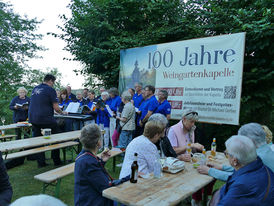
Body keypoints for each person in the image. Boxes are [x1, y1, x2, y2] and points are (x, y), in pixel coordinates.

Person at [197, 122, 274, 182]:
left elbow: (237, 177)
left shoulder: (257, 158)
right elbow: (242, 170)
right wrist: (222, 167)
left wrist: (209, 171)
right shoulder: (267, 150)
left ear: (250, 141)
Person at [74, 124, 129, 206]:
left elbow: (93, 177)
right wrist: (129, 177)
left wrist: (102, 161)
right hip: (93, 202)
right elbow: (106, 186)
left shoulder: (84, 156)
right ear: (98, 142)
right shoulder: (88, 162)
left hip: (87, 199)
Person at [217, 135, 274, 205]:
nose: (227, 156)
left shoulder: (241, 185)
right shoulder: (261, 167)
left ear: (234, 160)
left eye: (226, 154)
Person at [28, 74, 67, 167]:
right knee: (56, 136)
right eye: (53, 82)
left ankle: (41, 163)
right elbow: (56, 107)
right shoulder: (50, 89)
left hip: (33, 118)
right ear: (50, 81)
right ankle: (56, 161)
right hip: (45, 118)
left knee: (38, 140)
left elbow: (41, 104)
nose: (53, 84)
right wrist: (62, 112)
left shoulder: (35, 88)